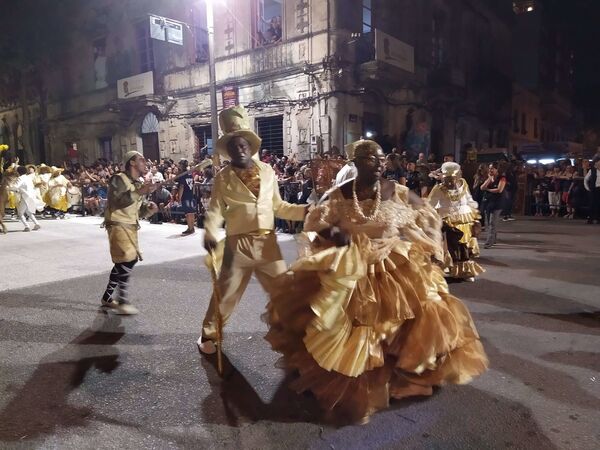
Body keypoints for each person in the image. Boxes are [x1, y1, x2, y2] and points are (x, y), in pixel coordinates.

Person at [264, 140, 488, 423]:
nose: (381, 163)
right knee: (357, 326)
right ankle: (361, 380)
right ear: (356, 162)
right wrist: (337, 237)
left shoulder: (396, 191)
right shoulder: (340, 192)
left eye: (382, 159)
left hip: (395, 262)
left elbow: (427, 215)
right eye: (373, 159)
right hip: (352, 267)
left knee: (417, 314)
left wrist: (433, 247)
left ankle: (400, 376)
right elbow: (315, 224)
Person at [197, 105, 308, 354]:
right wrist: (210, 232)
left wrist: (305, 212)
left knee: (284, 290)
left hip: (268, 244)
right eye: (234, 146)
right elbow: (215, 210)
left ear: (250, 145)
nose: (240, 149)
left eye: (243, 144)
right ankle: (209, 334)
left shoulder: (268, 171)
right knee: (226, 293)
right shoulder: (222, 177)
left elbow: (279, 207)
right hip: (238, 245)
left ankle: (293, 333)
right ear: (229, 150)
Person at [101, 151, 158, 315]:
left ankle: (107, 297)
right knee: (128, 259)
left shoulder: (137, 183)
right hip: (117, 223)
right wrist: (140, 192)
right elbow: (118, 201)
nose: (145, 162)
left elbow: (138, 210)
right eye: (141, 159)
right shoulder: (118, 179)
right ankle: (123, 301)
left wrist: (149, 209)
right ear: (132, 163)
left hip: (130, 226)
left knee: (123, 262)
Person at [428, 162, 484, 281]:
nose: (450, 182)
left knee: (465, 247)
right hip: (449, 221)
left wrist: (476, 217)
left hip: (465, 218)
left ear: (457, 176)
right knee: (452, 248)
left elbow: (469, 199)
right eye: (447, 178)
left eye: (452, 178)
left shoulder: (463, 185)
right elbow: (430, 205)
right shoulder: (438, 189)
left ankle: (466, 272)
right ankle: (453, 270)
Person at [8, 166, 42, 232]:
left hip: (25, 196)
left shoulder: (20, 178)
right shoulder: (28, 178)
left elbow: (15, 187)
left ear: (18, 172)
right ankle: (37, 224)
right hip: (32, 196)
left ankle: (27, 226)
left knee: (20, 213)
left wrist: (8, 188)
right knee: (29, 212)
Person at [480, 162, 506, 249]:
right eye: (490, 168)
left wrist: (488, 189)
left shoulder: (502, 179)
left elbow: (499, 190)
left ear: (497, 170)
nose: (490, 170)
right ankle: (493, 239)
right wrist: (489, 179)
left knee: (492, 223)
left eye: (492, 168)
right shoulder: (490, 178)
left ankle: (489, 242)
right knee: (491, 223)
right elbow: (482, 187)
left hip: (497, 203)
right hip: (489, 203)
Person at [177, 159, 197, 235]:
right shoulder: (190, 174)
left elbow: (181, 187)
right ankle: (192, 227)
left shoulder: (183, 175)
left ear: (181, 165)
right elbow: (193, 185)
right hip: (191, 195)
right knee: (191, 212)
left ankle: (190, 228)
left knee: (188, 213)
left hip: (185, 195)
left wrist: (179, 197)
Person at [584, 156, 600, 224]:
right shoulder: (592, 170)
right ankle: (590, 218)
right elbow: (586, 179)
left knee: (599, 205)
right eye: (597, 162)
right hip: (594, 189)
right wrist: (587, 188)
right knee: (592, 204)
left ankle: (598, 219)